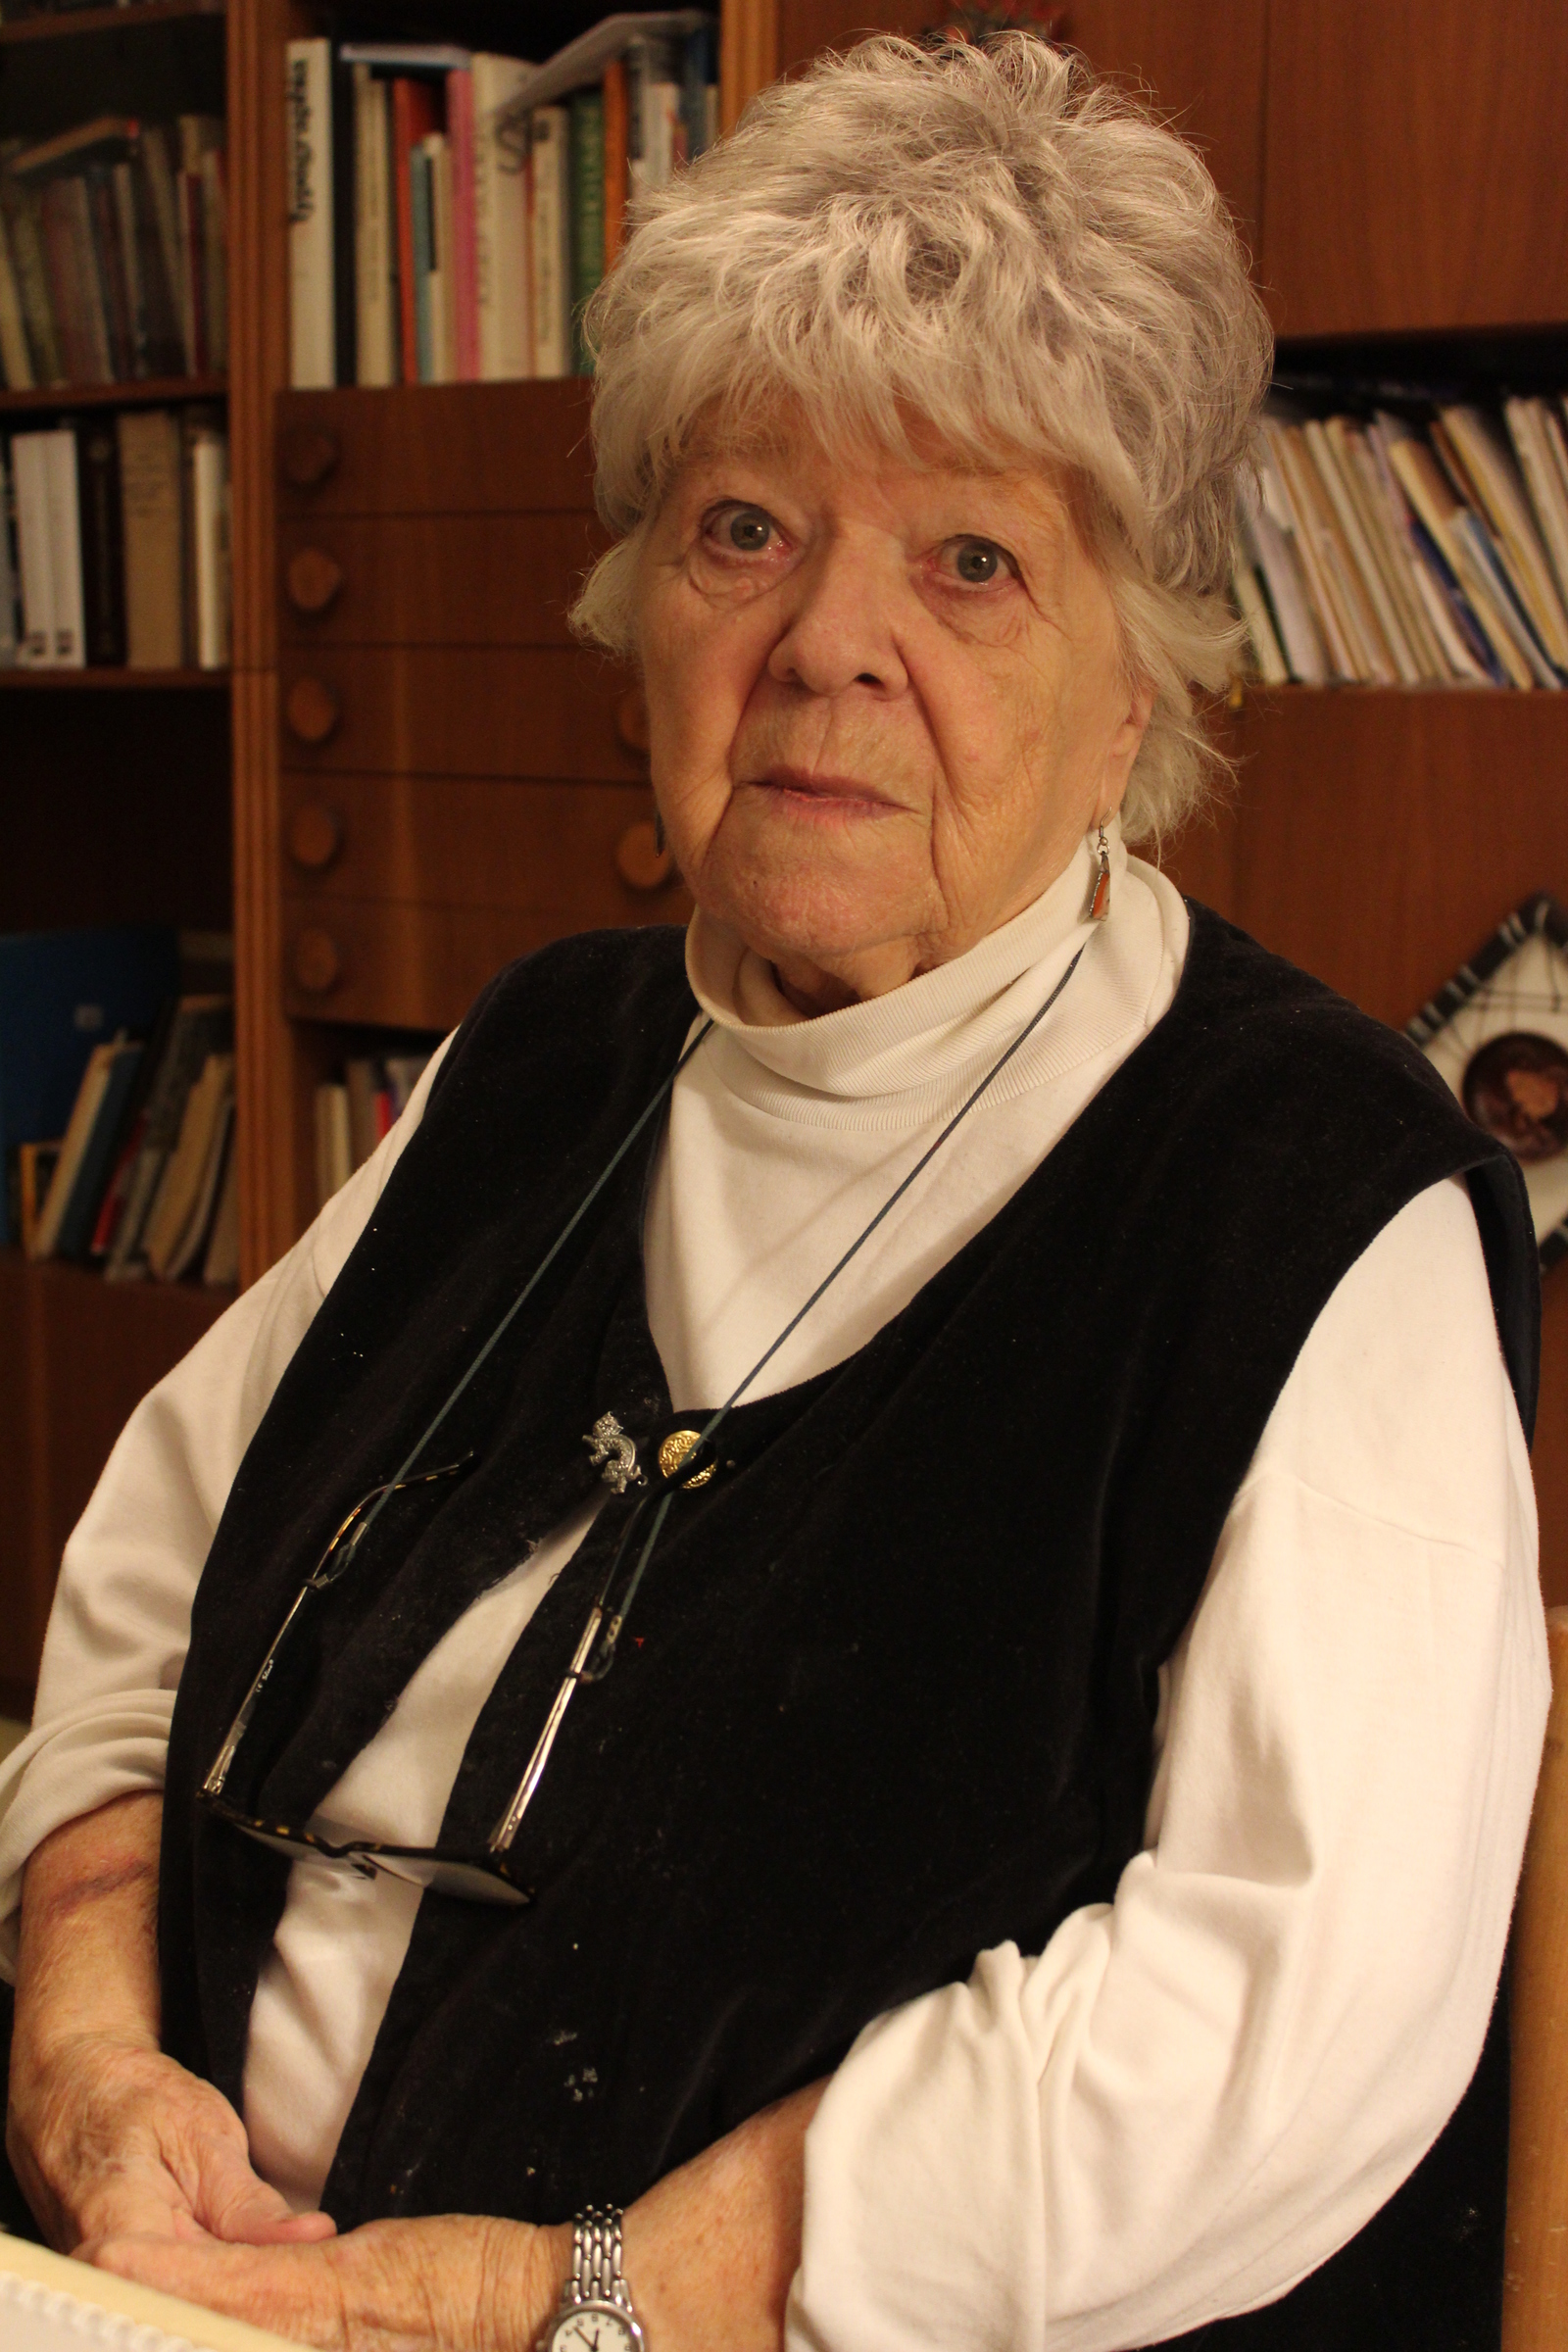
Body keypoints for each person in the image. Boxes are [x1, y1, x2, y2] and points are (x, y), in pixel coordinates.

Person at [0, 33, 1548, 2352]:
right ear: (640, 610)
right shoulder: (546, 1053)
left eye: (970, 561)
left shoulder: (1315, 1200)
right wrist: (89, 2056)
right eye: (745, 530)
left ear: (1132, 695)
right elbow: (151, 1587)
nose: (829, 640)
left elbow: (1263, 2030)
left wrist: (569, 2299)